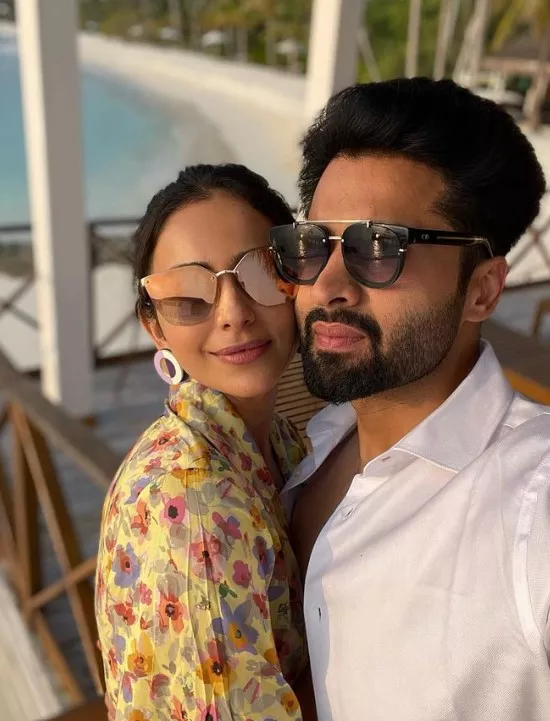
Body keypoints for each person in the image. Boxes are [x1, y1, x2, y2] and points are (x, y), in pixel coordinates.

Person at [269, 78, 550, 720]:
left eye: (378, 247)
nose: (327, 284)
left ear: (482, 290)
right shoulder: (307, 445)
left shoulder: (532, 507)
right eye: (314, 244)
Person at [95, 164, 314, 721]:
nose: (234, 314)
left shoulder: (275, 440)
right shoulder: (194, 501)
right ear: (155, 327)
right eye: (190, 296)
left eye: (261, 273)